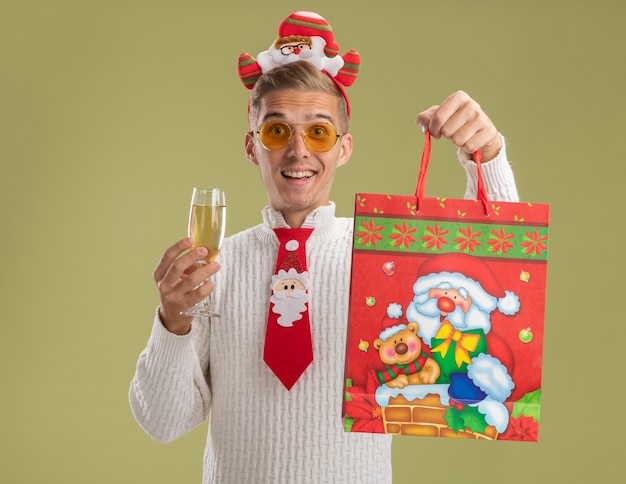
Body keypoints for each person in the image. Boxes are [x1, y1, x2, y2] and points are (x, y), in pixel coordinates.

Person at [129, 11, 519, 484]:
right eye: (277, 131)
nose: (298, 151)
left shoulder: (382, 257)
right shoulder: (215, 267)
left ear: (344, 148)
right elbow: (164, 423)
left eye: (318, 131)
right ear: (253, 147)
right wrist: (173, 323)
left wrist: (488, 156)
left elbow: (491, 264)